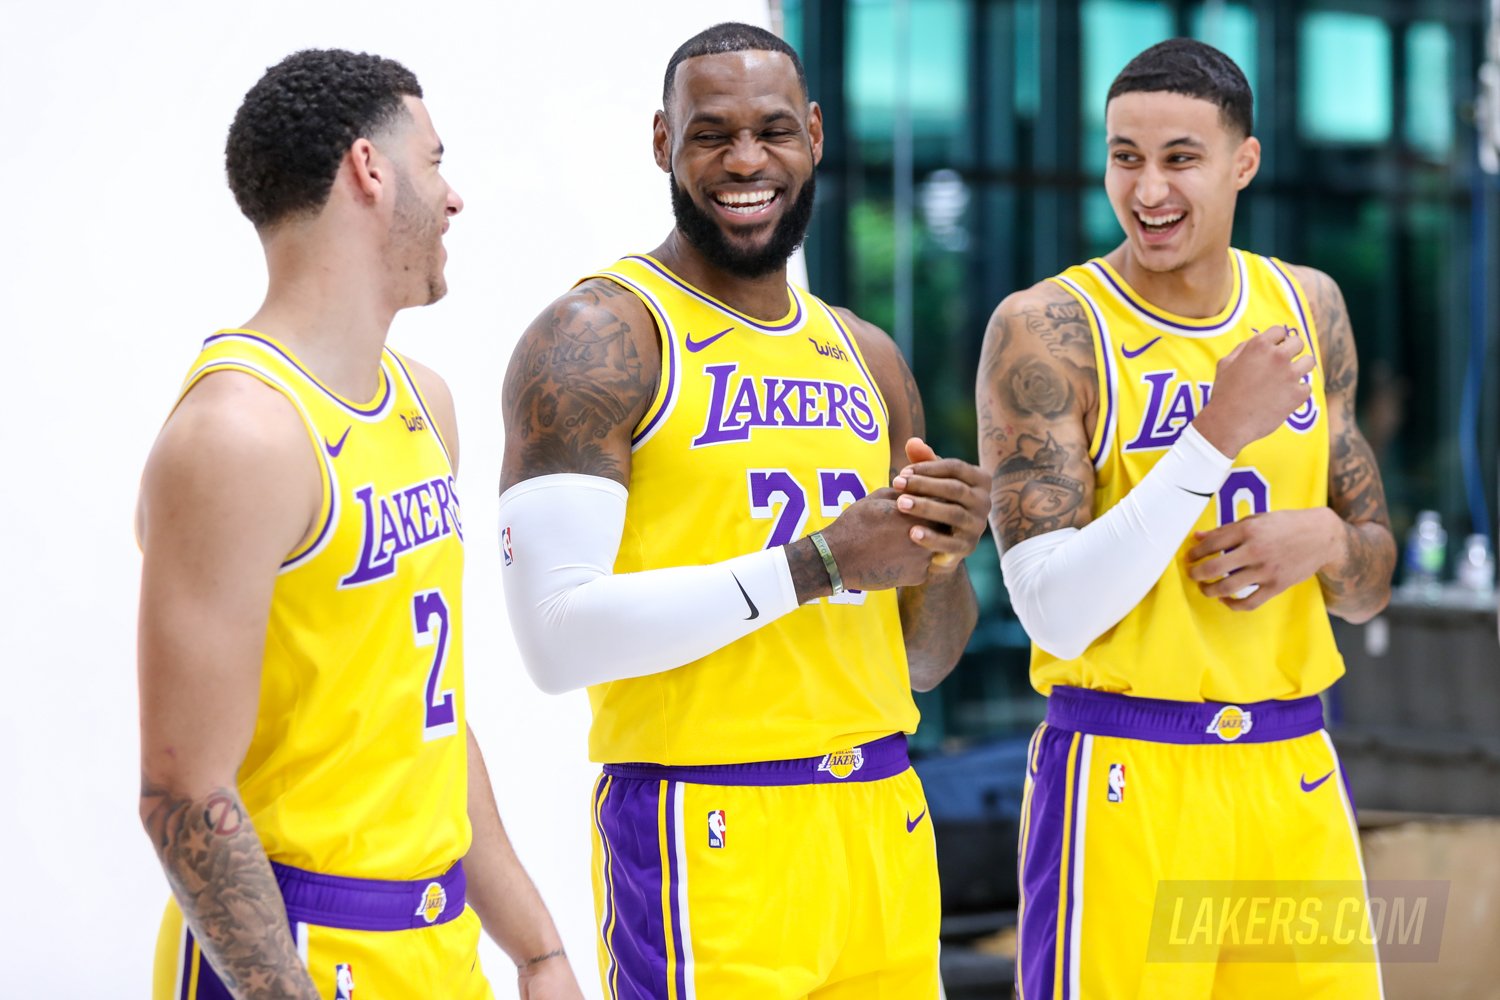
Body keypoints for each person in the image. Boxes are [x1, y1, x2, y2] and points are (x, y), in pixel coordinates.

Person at [497, 22, 989, 999]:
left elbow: (923, 662)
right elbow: (555, 641)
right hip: (706, 819)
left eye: (772, 130)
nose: (746, 161)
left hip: (882, 811)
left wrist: (944, 554)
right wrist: (822, 562)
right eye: (712, 134)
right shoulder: (599, 336)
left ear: (815, 135)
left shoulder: (867, 354)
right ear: (662, 142)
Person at [136, 49, 582, 1000]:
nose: (453, 197)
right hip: (291, 947)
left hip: (438, 940)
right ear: (368, 170)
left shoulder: (426, 403)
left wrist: (538, 949)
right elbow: (185, 794)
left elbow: (424, 716)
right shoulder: (237, 435)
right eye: (435, 161)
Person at [977, 39, 1395, 999]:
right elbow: (1052, 612)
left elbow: (1371, 584)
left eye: (1180, 158)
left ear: (1243, 163)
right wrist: (1215, 434)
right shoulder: (1050, 328)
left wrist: (1329, 540)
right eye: (1125, 156)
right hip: (1128, 767)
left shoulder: (1308, 306)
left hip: (1291, 761)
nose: (1148, 189)